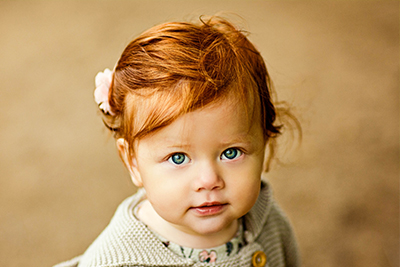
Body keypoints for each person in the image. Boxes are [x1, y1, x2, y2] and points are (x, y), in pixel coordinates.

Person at [55, 16, 300, 267]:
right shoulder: (120, 261)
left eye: (230, 153)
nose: (208, 180)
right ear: (133, 163)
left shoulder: (266, 219)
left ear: (264, 145)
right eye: (178, 158)